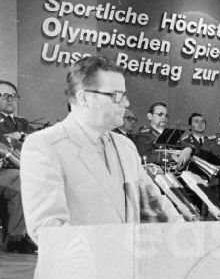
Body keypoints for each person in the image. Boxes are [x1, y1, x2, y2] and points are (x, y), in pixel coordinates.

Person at [20, 56, 180, 237]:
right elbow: (48, 230)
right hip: (82, 264)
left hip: (123, 262)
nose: (126, 104)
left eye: (125, 95)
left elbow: (154, 205)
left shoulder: (125, 146)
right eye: (117, 95)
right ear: (84, 98)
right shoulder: (45, 145)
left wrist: (187, 234)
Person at [0, 79, 35, 253]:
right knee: (21, 180)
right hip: (4, 170)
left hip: (17, 168)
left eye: (13, 96)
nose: (10, 99)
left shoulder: (23, 123)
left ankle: (32, 233)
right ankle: (17, 237)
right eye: (4, 95)